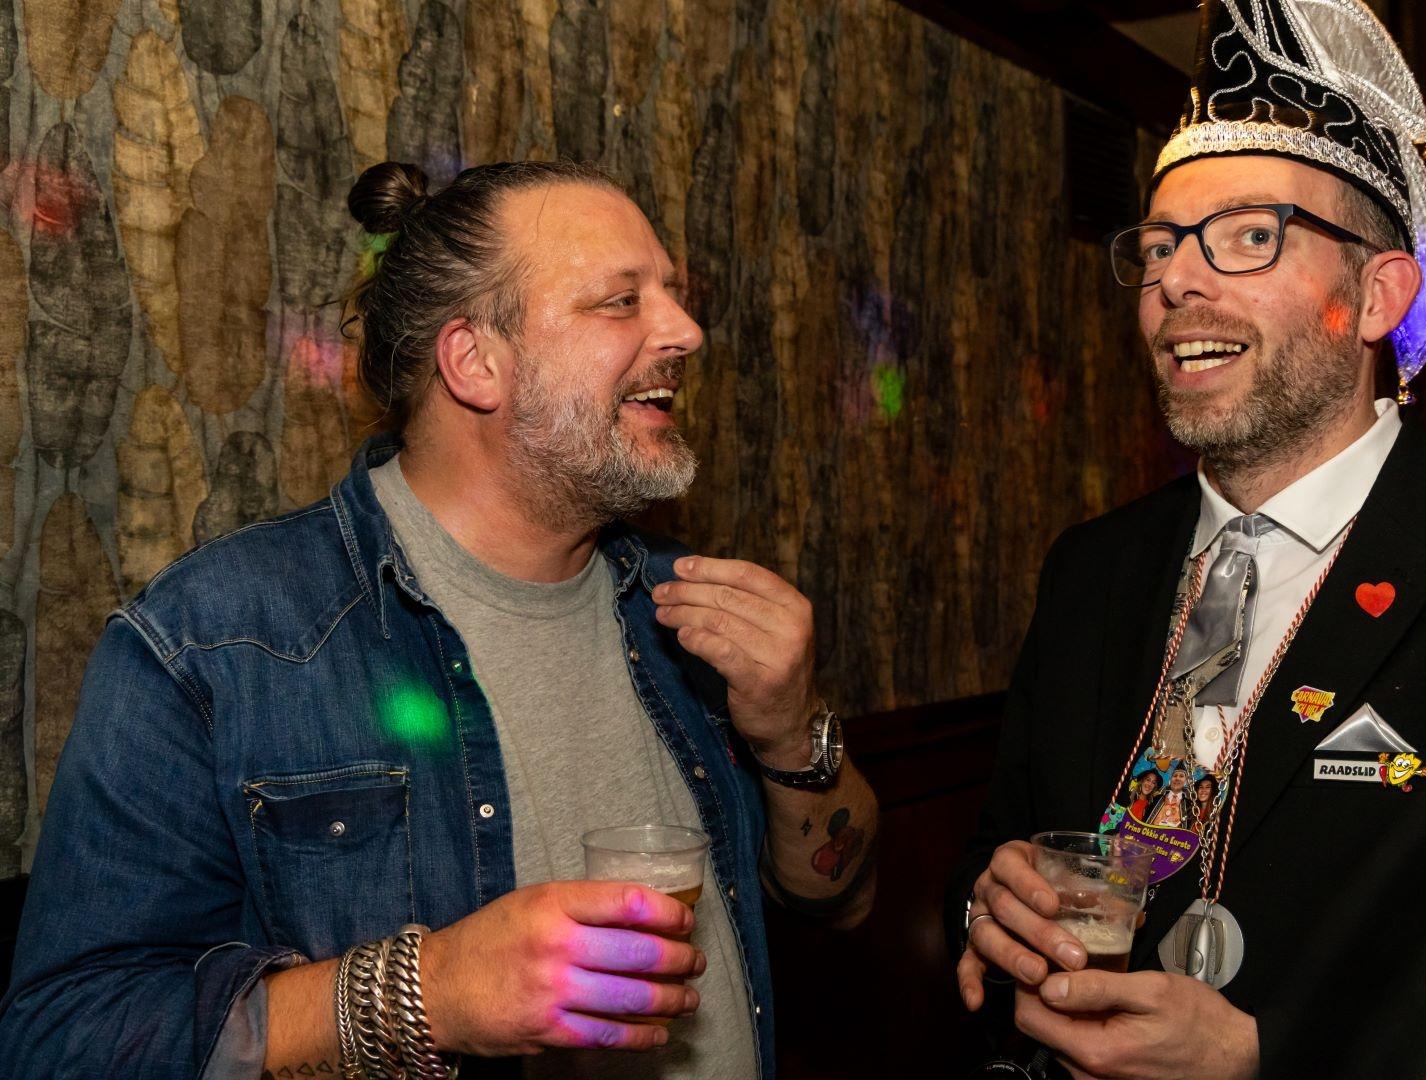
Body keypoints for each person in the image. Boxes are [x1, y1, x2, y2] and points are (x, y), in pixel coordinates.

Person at [0, 160, 878, 1079]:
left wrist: (791, 732)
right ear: (474, 362)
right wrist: (428, 991)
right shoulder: (219, 639)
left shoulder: (687, 611)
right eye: (622, 301)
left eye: (672, 295)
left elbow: (840, 901)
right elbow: (63, 1040)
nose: (686, 332)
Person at [948, 1, 1426, 1076]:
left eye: (1250, 236)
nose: (1177, 281)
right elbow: (1002, 849)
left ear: (1376, 295)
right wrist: (992, 906)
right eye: (1159, 246)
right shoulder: (1092, 569)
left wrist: (1276, 1053)